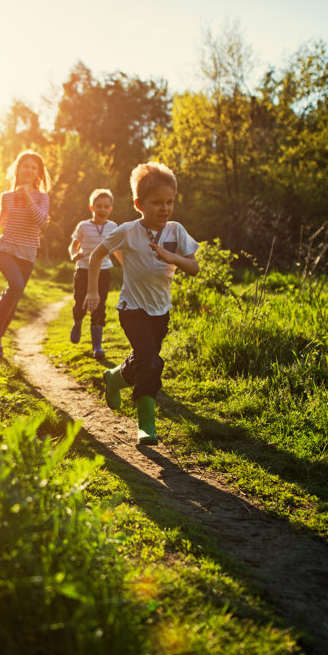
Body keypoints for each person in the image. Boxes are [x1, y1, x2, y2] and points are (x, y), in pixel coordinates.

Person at [83, 162, 199, 445]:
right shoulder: (127, 230)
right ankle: (146, 425)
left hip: (162, 312)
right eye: (157, 202)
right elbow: (97, 256)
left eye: (169, 202)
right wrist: (93, 292)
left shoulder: (176, 231)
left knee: (144, 361)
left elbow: (194, 267)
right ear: (139, 203)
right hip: (132, 309)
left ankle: (114, 377)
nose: (165, 208)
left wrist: (174, 259)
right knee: (151, 361)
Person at [0, 149, 51, 358]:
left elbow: (42, 222)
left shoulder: (42, 197)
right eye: (25, 165)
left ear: (38, 173)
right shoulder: (6, 197)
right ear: (18, 169)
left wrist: (28, 197)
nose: (29, 170)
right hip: (6, 248)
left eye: (33, 167)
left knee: (14, 296)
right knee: (16, 285)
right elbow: (3, 221)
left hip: (28, 253)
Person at [68, 188, 122, 360]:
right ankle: (77, 322)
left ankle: (97, 346)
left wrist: (127, 267)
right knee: (80, 302)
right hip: (83, 270)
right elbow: (73, 246)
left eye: (106, 207)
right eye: (99, 206)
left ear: (111, 209)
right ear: (92, 207)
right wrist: (73, 255)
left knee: (99, 304)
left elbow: (117, 250)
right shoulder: (83, 226)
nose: (102, 210)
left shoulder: (113, 227)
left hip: (104, 271)